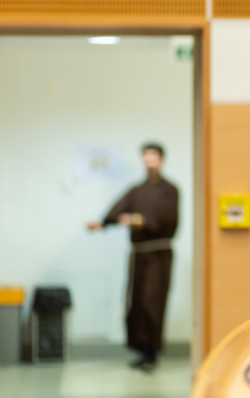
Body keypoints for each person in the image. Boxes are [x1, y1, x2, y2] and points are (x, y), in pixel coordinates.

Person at [86, 142, 178, 373]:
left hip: (158, 255)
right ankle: (142, 352)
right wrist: (104, 222)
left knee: (151, 302)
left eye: (153, 157)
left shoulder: (170, 190)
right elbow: (120, 209)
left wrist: (138, 220)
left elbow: (164, 218)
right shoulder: (137, 190)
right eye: (146, 157)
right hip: (138, 254)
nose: (149, 161)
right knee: (136, 302)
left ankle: (152, 354)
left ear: (161, 160)